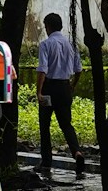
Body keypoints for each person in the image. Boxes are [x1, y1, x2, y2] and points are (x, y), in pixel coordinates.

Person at [36, 12, 83, 180]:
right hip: (64, 87)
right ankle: (76, 151)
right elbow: (78, 70)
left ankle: (46, 161)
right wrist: (72, 85)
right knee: (66, 124)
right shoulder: (71, 45)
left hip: (49, 87)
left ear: (48, 26)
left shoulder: (46, 44)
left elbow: (43, 69)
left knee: (45, 125)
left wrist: (39, 91)